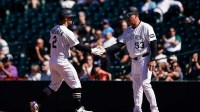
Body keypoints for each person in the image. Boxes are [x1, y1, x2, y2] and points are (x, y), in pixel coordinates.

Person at [29, 9, 101, 112]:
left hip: (53, 61)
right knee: (76, 84)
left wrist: (71, 49)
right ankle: (79, 108)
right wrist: (92, 50)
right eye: (70, 17)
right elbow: (78, 46)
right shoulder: (68, 32)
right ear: (65, 18)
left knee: (53, 85)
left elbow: (60, 44)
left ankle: (37, 102)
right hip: (62, 61)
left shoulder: (53, 29)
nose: (72, 19)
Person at [95, 6, 159, 112]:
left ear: (136, 15)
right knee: (136, 86)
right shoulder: (128, 30)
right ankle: (137, 109)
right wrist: (105, 50)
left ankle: (154, 109)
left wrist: (153, 59)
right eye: (126, 16)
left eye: (130, 15)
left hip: (145, 58)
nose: (127, 18)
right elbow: (118, 45)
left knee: (145, 84)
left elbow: (154, 43)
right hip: (134, 60)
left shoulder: (146, 27)